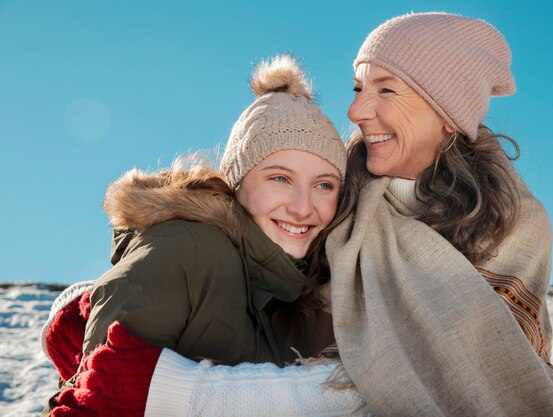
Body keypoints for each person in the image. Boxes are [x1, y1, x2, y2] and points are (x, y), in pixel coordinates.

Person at [43, 13, 553, 417]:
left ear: (445, 111)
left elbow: (442, 385)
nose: (354, 110)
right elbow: (261, 294)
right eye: (357, 87)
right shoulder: (344, 193)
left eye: (385, 89)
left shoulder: (505, 224)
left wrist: (181, 392)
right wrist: (95, 304)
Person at [40, 55, 368, 416]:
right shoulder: (190, 250)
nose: (303, 208)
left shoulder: (291, 287)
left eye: (324, 185)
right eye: (280, 179)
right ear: (237, 182)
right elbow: (99, 397)